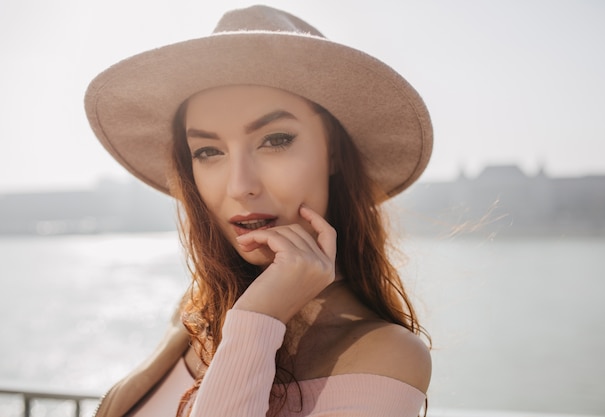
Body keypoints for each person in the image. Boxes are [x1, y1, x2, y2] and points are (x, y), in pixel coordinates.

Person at [85, 5, 433, 417]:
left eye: (276, 139)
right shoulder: (196, 313)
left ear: (333, 152)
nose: (240, 186)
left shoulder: (384, 356)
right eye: (209, 151)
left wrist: (259, 318)